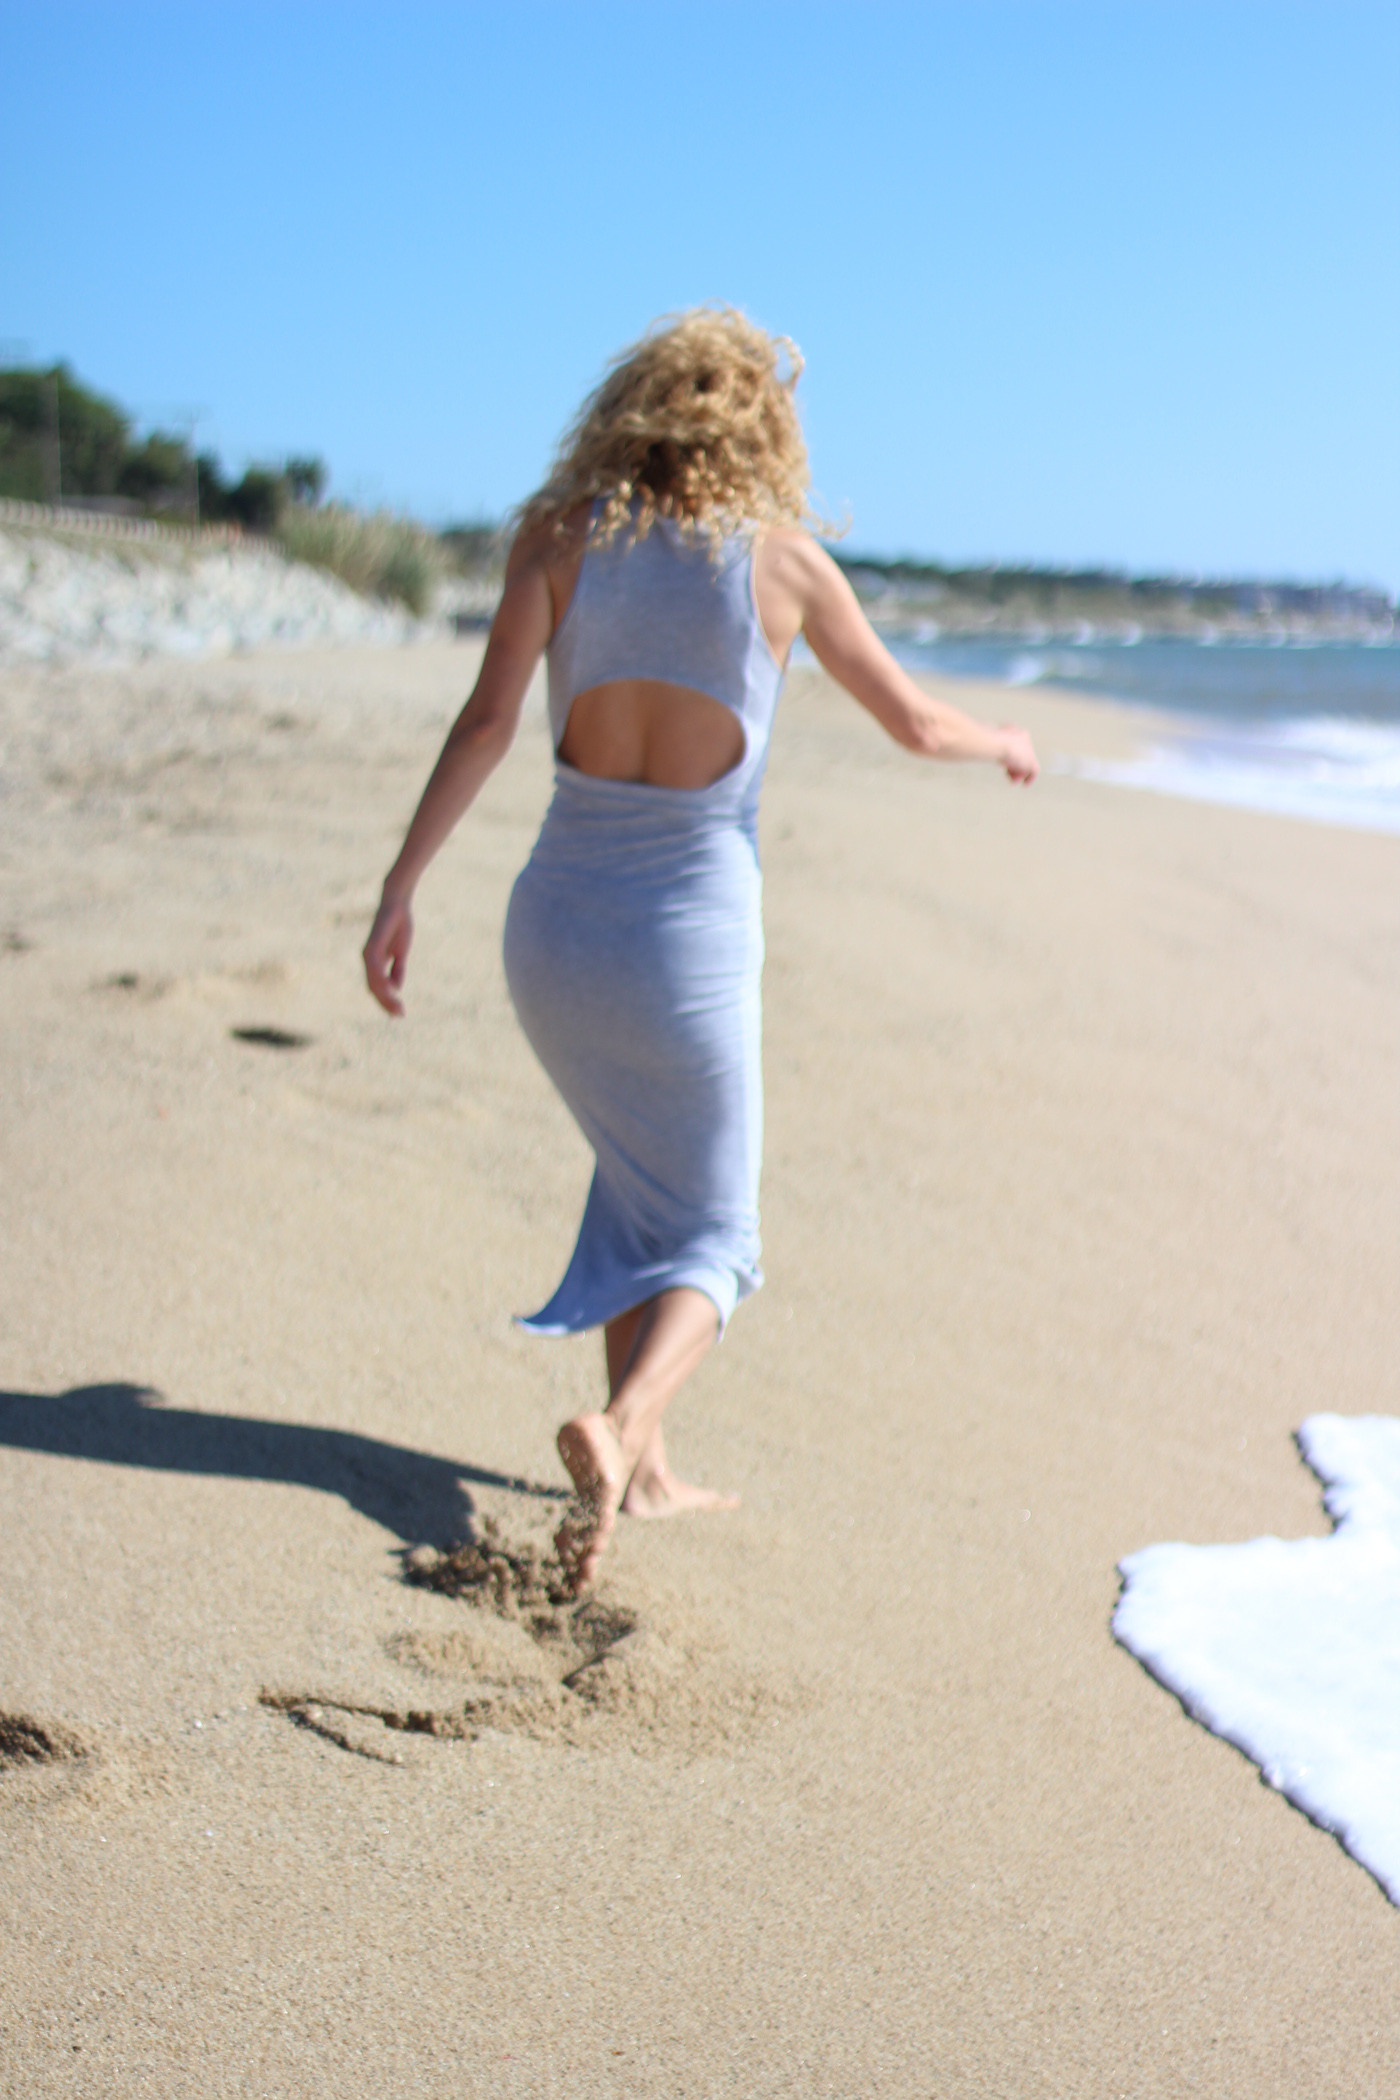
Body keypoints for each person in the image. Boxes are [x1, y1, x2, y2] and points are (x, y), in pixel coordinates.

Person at [363, 307, 1038, 1592]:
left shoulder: (557, 537)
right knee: (716, 1238)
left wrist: (401, 889)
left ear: (628, 409)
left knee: (638, 1184)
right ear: (763, 430)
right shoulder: (782, 565)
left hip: (552, 934)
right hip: (682, 945)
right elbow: (910, 722)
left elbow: (486, 721)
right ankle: (623, 1426)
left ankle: (647, 1475)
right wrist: (1001, 739)